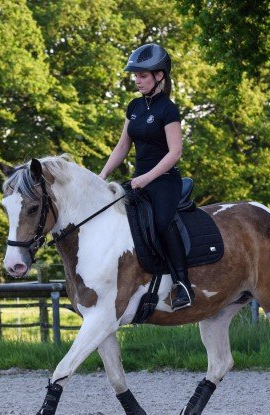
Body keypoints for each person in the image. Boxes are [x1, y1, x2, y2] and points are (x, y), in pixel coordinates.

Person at [98, 43, 194, 310]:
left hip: (164, 181)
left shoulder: (168, 109)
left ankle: (183, 284)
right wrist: (103, 174)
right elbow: (122, 147)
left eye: (143, 75)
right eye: (136, 76)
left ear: (159, 76)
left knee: (162, 223)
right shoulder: (134, 107)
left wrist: (147, 178)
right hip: (138, 180)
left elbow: (175, 153)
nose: (137, 80)